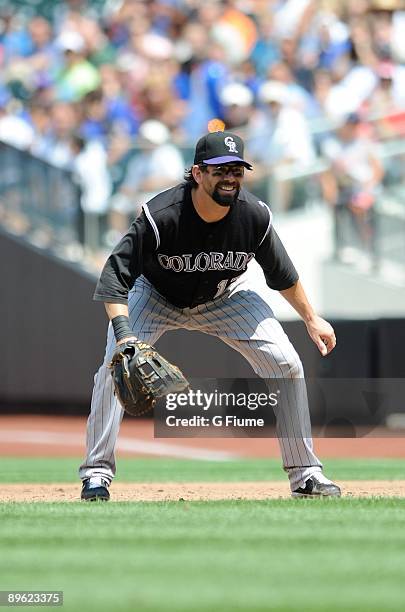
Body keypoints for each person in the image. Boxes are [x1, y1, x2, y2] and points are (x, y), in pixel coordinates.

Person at [79, 129, 341, 501]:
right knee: (114, 367)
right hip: (154, 296)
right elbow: (114, 277)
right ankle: (96, 475)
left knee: (287, 363)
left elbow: (284, 276)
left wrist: (312, 319)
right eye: (220, 170)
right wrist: (124, 337)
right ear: (198, 173)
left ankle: (306, 475)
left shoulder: (254, 216)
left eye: (237, 169)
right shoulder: (161, 215)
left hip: (225, 298)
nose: (230, 178)